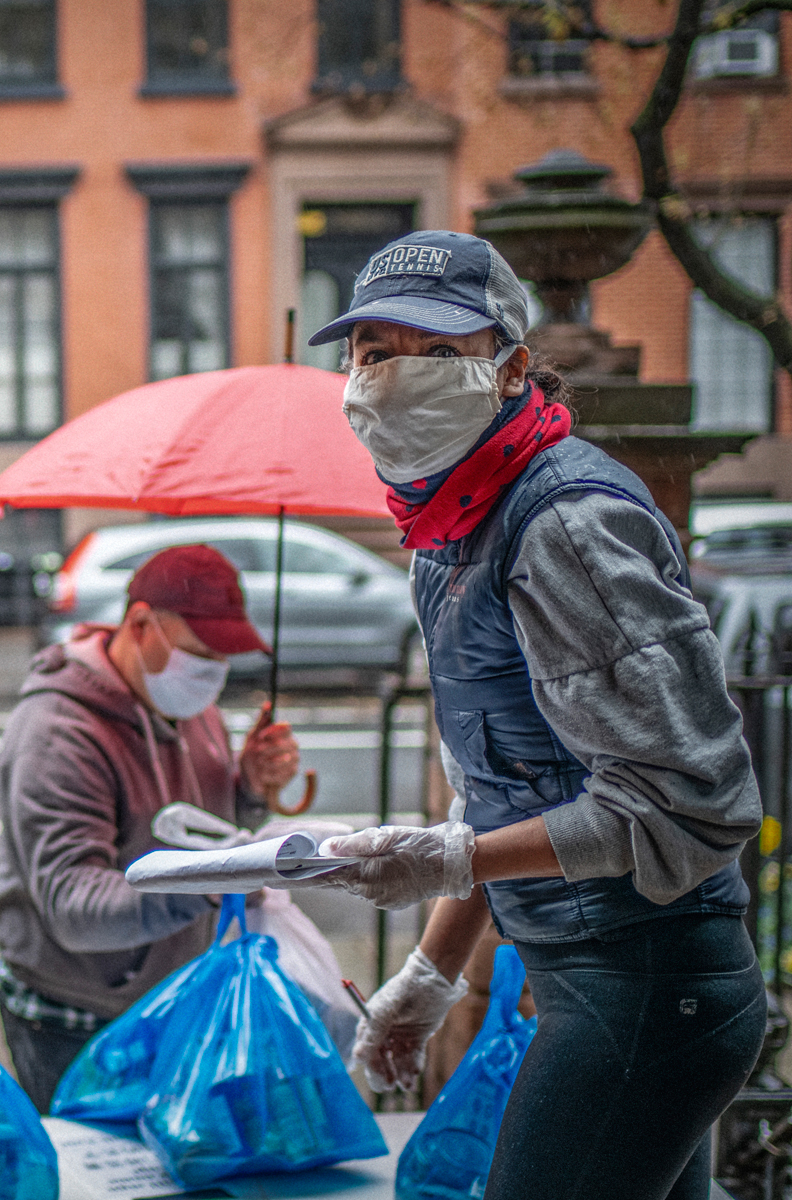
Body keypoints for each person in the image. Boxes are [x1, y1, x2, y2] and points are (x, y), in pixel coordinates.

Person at [295, 229, 764, 1200]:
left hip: (648, 986)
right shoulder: (449, 531)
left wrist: (456, 858)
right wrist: (430, 974)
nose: (393, 377)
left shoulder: (562, 526)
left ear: (510, 370)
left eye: (435, 352)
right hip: (600, 986)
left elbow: (690, 805)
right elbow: (507, 794)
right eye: (373, 353)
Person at [0, 545, 302, 1110]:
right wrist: (211, 882)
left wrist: (249, 790)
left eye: (223, 658)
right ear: (139, 624)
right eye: (199, 653)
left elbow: (204, 830)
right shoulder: (58, 731)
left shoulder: (187, 703)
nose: (211, 673)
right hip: (80, 1009)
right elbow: (73, 905)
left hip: (175, 987)